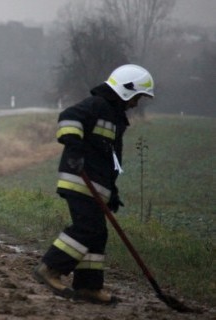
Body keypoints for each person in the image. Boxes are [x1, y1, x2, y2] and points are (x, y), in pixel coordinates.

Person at [33, 64, 154, 304]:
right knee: (87, 229)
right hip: (79, 180)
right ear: (127, 90)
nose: (136, 104)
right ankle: (50, 268)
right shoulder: (97, 105)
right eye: (137, 97)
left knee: (97, 235)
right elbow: (68, 118)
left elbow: (109, 159)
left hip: (96, 185)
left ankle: (89, 287)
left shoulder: (114, 116)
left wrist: (112, 191)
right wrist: (74, 146)